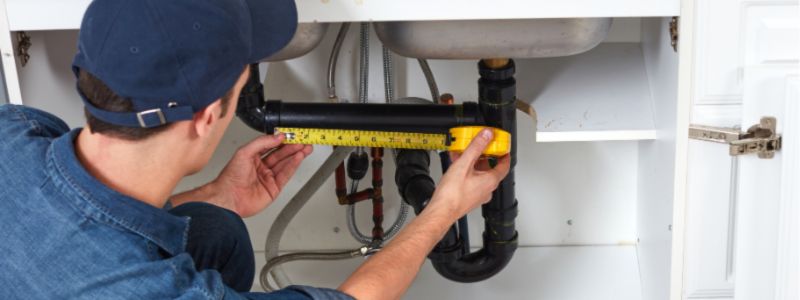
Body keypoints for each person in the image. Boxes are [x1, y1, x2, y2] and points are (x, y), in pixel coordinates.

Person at [0, 0, 510, 299]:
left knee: (214, 227)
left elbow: (90, 231)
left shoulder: (15, 130)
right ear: (205, 118)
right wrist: (445, 208)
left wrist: (220, 194)